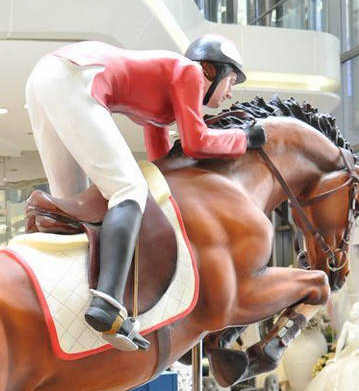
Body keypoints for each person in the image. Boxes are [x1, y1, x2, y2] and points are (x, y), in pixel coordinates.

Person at [25, 35, 265, 351]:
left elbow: (159, 158)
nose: (230, 92)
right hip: (75, 77)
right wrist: (243, 139)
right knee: (128, 188)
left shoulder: (167, 90)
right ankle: (107, 304)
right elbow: (196, 142)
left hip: (47, 77)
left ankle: (62, 297)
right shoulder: (189, 72)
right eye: (231, 80)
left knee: (73, 203)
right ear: (210, 70)